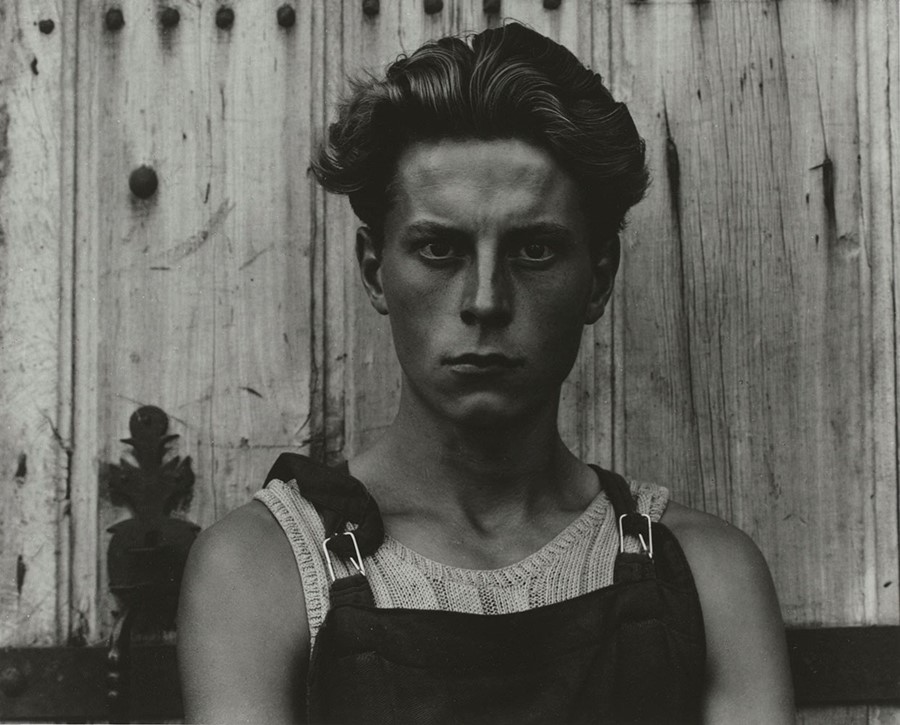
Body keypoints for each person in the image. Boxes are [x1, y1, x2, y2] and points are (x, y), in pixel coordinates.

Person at [177, 22, 794, 723]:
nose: (485, 300)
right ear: (375, 270)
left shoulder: (709, 576)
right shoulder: (264, 571)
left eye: (534, 250)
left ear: (597, 279)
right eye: (439, 248)